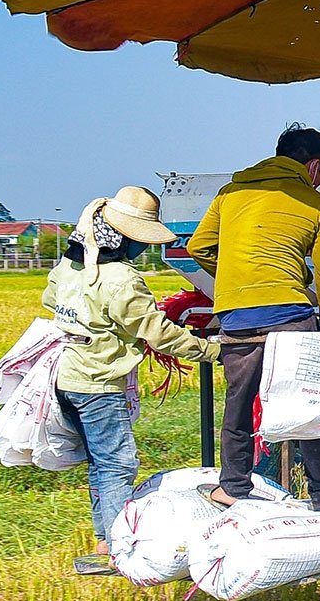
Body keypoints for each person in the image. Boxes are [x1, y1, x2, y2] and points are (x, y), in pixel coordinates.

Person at [42, 186, 221, 567]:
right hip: (100, 385)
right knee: (118, 464)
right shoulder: (122, 278)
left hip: (69, 379)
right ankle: (123, 549)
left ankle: (106, 542)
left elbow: (49, 302)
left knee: (100, 463)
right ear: (124, 239)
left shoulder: (68, 267)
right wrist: (210, 351)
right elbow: (157, 331)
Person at [187, 125, 320, 509]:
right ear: (313, 166)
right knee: (309, 403)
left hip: (236, 319)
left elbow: (199, 246)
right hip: (290, 317)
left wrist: (235, 285)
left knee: (239, 405)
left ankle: (232, 487)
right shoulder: (316, 205)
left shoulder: (230, 193)